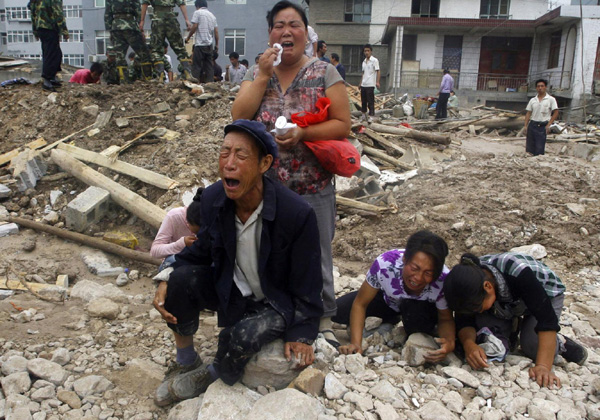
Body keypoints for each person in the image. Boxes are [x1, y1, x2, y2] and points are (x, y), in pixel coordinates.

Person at [152, 119, 323, 405]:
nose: (229, 164)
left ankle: (212, 374)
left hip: (275, 300)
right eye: (224, 153)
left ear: (264, 164)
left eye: (241, 156)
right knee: (179, 281)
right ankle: (186, 361)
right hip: (232, 290)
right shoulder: (214, 199)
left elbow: (308, 281)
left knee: (242, 337)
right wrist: (166, 275)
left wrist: (302, 332)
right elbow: (203, 249)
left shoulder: (296, 214)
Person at [231, 0, 351, 348]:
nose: (286, 31)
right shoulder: (259, 74)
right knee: (272, 250)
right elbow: (238, 117)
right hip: (268, 186)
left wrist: (303, 133)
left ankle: (323, 317)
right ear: (270, 33)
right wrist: (264, 74)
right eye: (279, 25)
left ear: (306, 32)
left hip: (312, 183)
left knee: (318, 252)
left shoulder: (324, 72)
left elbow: (342, 124)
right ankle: (279, 310)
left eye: (294, 24)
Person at [443, 252, 588, 389]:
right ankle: (512, 328)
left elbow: (546, 320)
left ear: (487, 287)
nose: (477, 312)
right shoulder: (469, 287)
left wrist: (543, 367)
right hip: (505, 302)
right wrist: (469, 344)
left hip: (544, 297)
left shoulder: (518, 273)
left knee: (532, 346)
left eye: (477, 307)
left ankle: (561, 342)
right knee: (488, 340)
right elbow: (464, 320)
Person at [334, 231, 455, 361]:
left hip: (420, 309)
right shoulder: (385, 264)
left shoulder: (443, 280)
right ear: (404, 259)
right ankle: (391, 318)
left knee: (415, 322)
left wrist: (449, 342)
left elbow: (446, 318)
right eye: (414, 268)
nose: (418, 278)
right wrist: (356, 344)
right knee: (337, 310)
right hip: (389, 301)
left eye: (428, 273)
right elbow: (360, 304)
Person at [139, 0, 196, 81]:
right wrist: (186, 19)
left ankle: (160, 75)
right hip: (171, 19)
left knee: (156, 49)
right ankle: (187, 73)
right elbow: (181, 3)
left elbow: (145, 4)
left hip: (158, 19)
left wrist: (142, 21)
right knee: (180, 48)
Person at [151, 189, 203, 270]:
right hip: (178, 260)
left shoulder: (212, 218)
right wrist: (181, 244)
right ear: (188, 222)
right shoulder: (174, 216)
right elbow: (154, 251)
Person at [105, 0, 152, 83]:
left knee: (120, 57)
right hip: (130, 26)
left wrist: (110, 30)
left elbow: (107, 15)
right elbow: (138, 12)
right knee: (144, 54)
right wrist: (141, 29)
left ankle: (123, 81)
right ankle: (148, 79)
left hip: (116, 27)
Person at [29, 0, 68, 92]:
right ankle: (47, 80)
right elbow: (58, 13)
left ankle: (52, 77)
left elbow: (33, 13)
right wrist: (64, 31)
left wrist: (35, 31)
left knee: (55, 53)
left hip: (42, 28)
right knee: (51, 54)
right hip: (49, 27)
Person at [185, 0, 218, 83]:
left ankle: (194, 84)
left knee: (196, 65)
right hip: (209, 45)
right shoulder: (212, 16)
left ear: (197, 5)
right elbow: (216, 32)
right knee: (209, 66)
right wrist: (216, 45)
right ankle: (210, 83)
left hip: (200, 44)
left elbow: (195, 26)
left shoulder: (197, 13)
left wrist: (188, 37)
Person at [524, 79, 559, 156]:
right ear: (536, 88)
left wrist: (549, 124)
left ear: (545, 87)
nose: (540, 88)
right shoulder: (533, 100)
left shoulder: (551, 99)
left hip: (542, 126)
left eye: (542, 86)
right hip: (532, 124)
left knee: (539, 147)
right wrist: (526, 126)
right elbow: (528, 113)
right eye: (538, 86)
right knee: (530, 147)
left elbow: (556, 112)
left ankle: (538, 162)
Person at [360, 44, 379, 123]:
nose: (366, 52)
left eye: (368, 51)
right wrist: (360, 83)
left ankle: (371, 116)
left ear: (371, 51)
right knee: (363, 101)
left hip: (371, 84)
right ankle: (364, 115)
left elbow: (378, 71)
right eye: (365, 51)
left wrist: (377, 81)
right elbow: (363, 73)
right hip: (364, 84)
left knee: (370, 100)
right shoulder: (364, 62)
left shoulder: (374, 60)